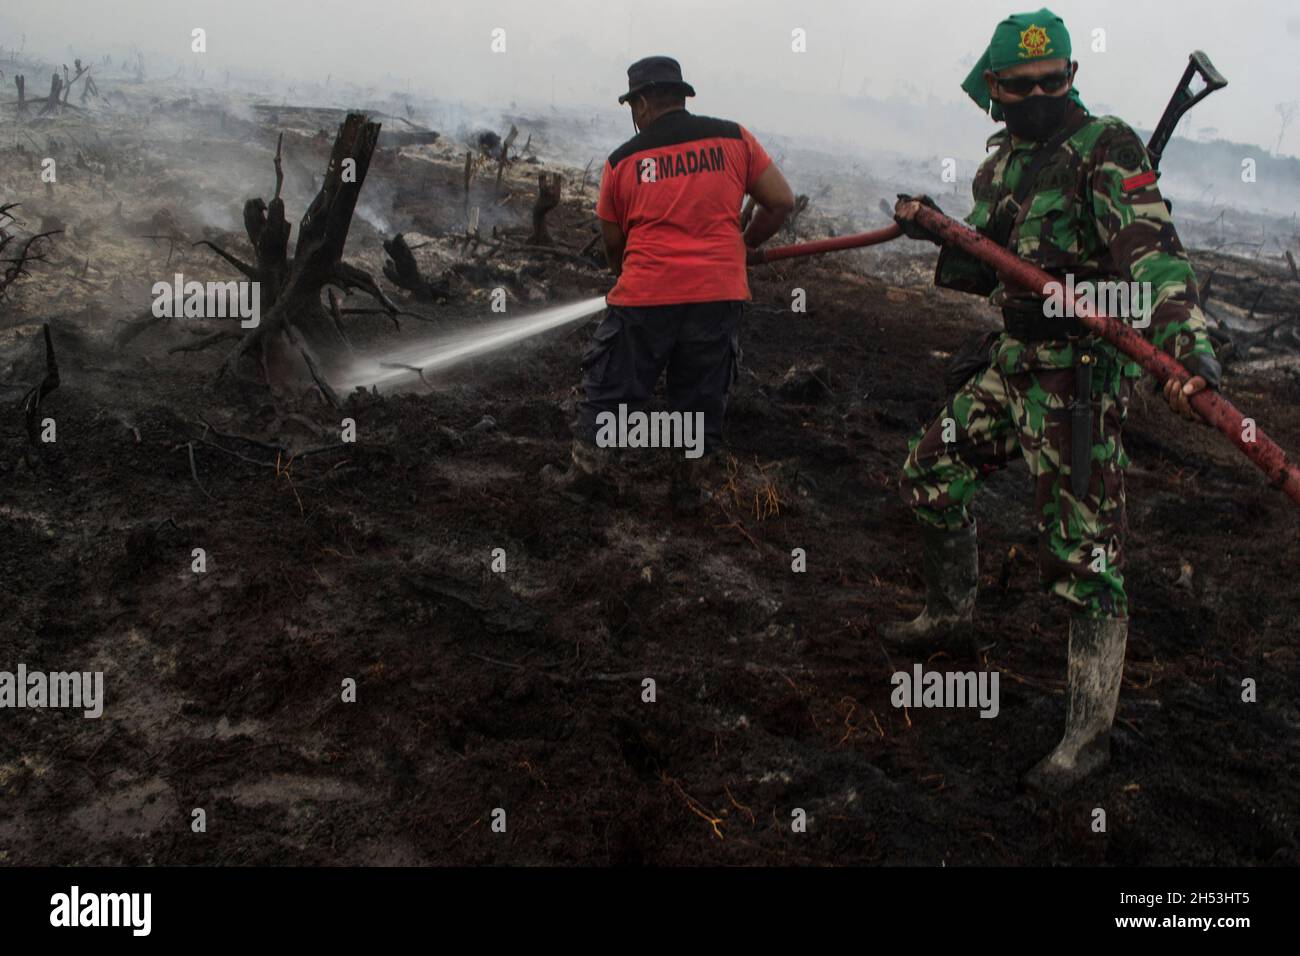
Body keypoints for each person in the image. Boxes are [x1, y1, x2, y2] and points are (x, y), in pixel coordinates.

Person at [889, 8, 1221, 792]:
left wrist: (1187, 352)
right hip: (1015, 362)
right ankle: (951, 617)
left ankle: (1087, 739)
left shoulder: (1108, 147)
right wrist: (936, 230)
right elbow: (982, 266)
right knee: (929, 471)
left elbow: (1155, 258)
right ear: (995, 88)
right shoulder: (1002, 162)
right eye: (1023, 84)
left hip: (1081, 379)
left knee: (1087, 558)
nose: (1041, 94)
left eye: (1055, 80)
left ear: (1072, 76)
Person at [547, 55, 794, 514]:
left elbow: (613, 243)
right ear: (681, 97)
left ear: (641, 103)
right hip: (717, 295)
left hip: (646, 295)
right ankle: (687, 489)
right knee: (701, 394)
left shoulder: (622, 161)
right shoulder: (734, 138)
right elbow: (781, 201)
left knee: (612, 389)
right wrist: (744, 244)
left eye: (633, 106)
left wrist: (625, 275)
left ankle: (586, 477)